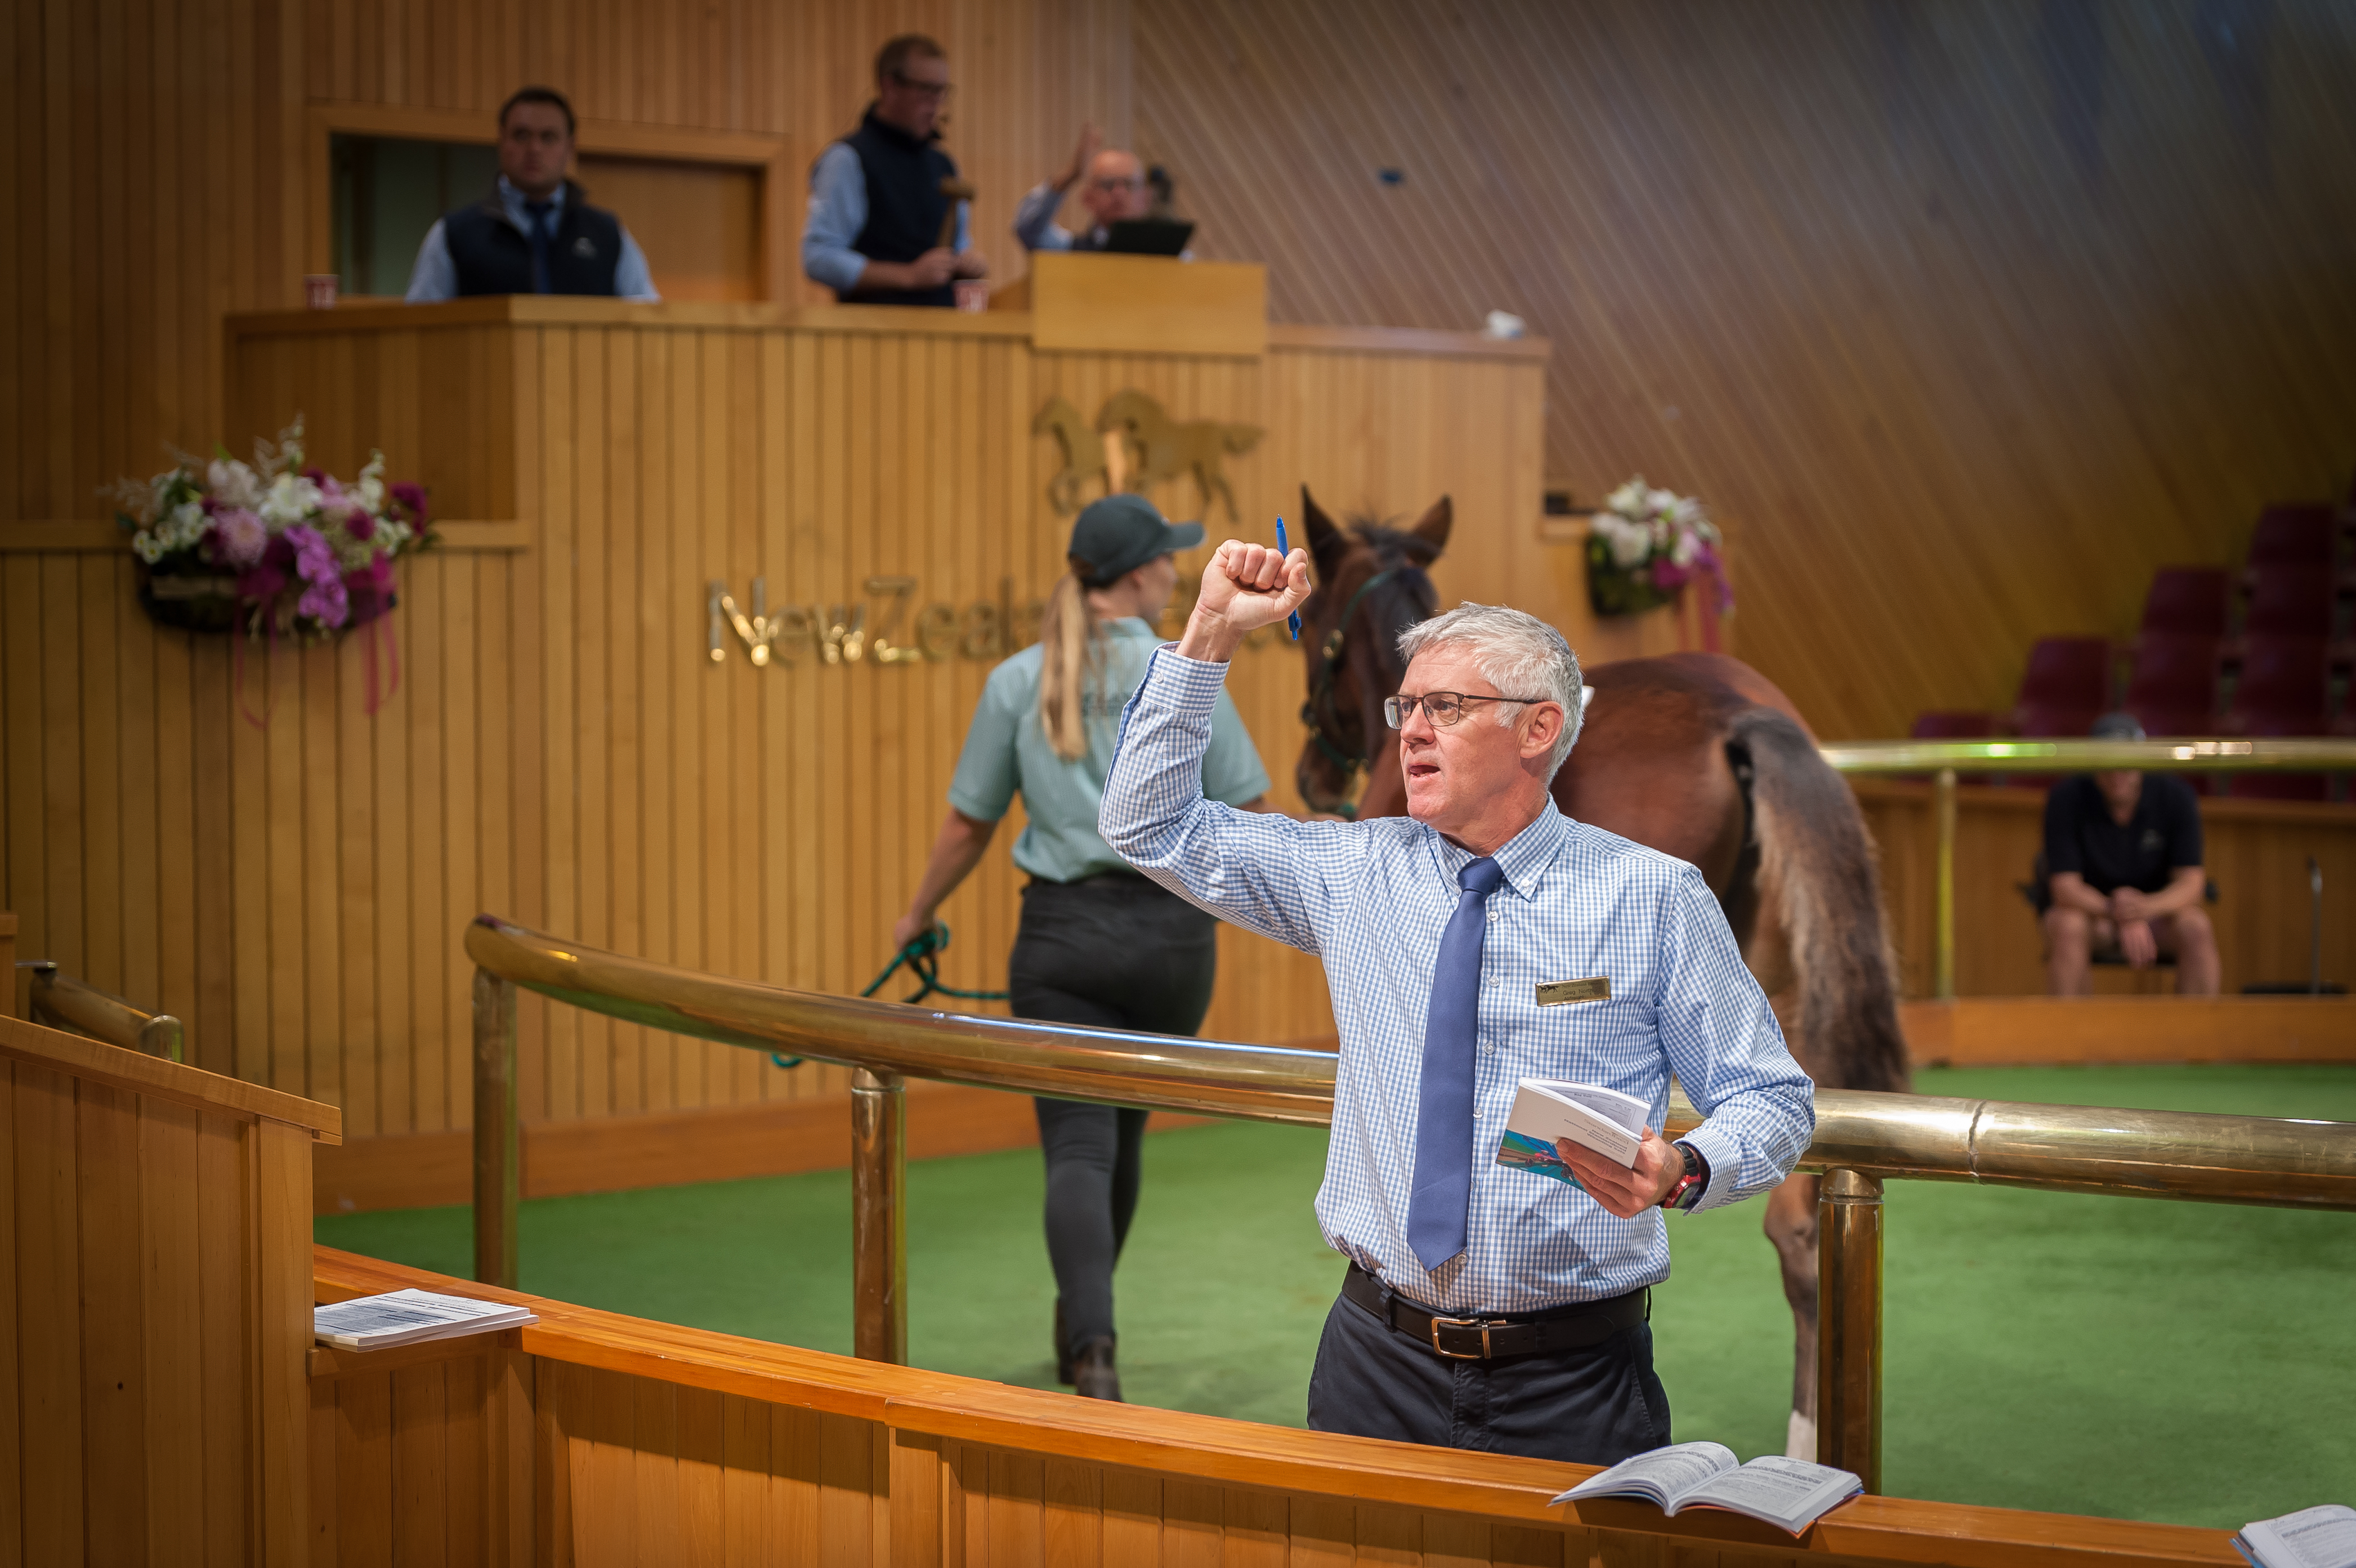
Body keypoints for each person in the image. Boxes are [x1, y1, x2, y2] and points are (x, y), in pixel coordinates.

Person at [1098, 547, 1816, 1464]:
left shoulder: (1652, 897)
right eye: (1408, 707)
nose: (1411, 731)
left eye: (1448, 707)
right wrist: (1208, 636)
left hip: (1578, 1380)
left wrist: (1684, 1165)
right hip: (1373, 1363)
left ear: (1537, 729)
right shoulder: (1351, 872)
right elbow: (1147, 825)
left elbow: (1773, 1098)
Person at [891, 495, 1277, 1401]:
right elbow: (1251, 807)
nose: (1177, 573)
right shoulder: (1186, 670)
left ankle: (1091, 1346)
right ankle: (1084, 1332)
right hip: (1172, 943)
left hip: (1061, 940)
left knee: (1077, 1147)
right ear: (1140, 576)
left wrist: (916, 913)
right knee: (1125, 1134)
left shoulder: (1018, 680)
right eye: (1167, 561)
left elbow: (967, 823)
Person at [405, 87, 660, 303]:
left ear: (570, 147)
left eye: (548, 137)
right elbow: (420, 329)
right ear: (501, 141)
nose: (534, 149)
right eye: (521, 136)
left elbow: (646, 322)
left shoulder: (608, 235)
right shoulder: (454, 234)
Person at [803, 35, 989, 306]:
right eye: (926, 90)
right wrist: (909, 276)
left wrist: (967, 264)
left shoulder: (944, 165)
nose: (937, 104)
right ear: (890, 87)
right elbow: (818, 257)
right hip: (873, 335)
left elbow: (957, 248)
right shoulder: (848, 159)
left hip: (943, 333)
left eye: (942, 91)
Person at [2041, 712, 2219, 995]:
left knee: (2196, 926)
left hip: (2158, 914)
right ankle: (2069, 1034)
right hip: (2096, 914)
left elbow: (2192, 883)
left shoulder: (2177, 796)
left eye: (2126, 762)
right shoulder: (2066, 798)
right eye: (2107, 762)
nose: (2117, 773)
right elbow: (2065, 887)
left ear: (2143, 762)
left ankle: (2197, 1033)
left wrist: (2146, 908)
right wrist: (2119, 911)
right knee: (2066, 925)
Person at [1013, 124, 1155, 253]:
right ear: (1088, 198)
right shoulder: (1070, 250)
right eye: (1108, 185)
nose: (1119, 193)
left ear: (1146, 198)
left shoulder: (1170, 257)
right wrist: (1070, 175)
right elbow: (1029, 230)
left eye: (1129, 184)